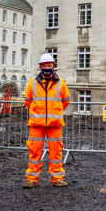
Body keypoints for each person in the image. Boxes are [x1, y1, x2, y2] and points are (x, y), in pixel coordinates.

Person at [23, 53, 70, 188]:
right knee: (34, 152)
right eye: (45, 66)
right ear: (40, 67)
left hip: (54, 125)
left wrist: (54, 113)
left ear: (54, 66)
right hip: (36, 125)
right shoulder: (32, 83)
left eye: (49, 65)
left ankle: (57, 179)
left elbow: (65, 101)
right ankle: (32, 179)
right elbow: (28, 101)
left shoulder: (61, 83)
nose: (47, 68)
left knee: (56, 152)